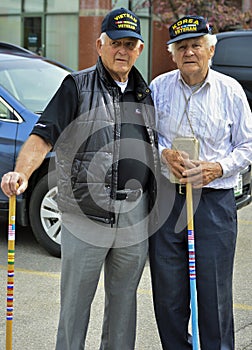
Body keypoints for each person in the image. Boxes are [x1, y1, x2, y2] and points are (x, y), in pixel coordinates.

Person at [1, 7, 159, 350]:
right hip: (85, 214)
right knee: (75, 307)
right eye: (116, 42)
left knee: (124, 306)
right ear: (99, 44)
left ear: (140, 50)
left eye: (131, 44)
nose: (123, 50)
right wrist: (22, 172)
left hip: (134, 215)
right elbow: (43, 135)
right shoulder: (76, 85)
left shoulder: (145, 93)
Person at [149, 15, 252, 350]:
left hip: (213, 204)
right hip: (167, 201)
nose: (189, 52)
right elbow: (146, 138)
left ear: (211, 51)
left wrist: (217, 168)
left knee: (214, 294)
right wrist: (164, 153)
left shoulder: (231, 91)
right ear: (173, 54)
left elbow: (248, 146)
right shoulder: (158, 88)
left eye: (196, 45)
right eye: (181, 47)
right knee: (168, 295)